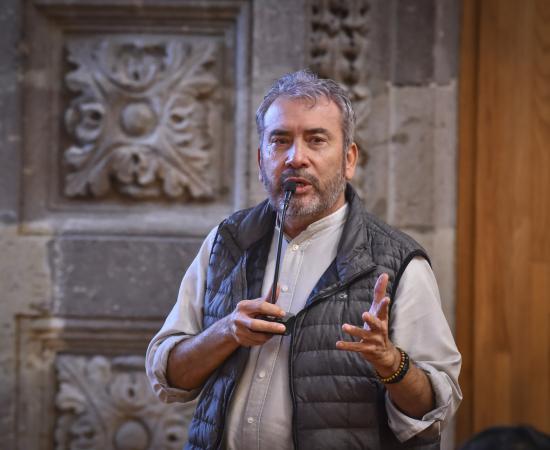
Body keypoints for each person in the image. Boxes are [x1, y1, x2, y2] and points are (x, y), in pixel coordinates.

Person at [146, 70, 462, 450]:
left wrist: (390, 362)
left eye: (316, 140)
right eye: (280, 141)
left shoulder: (398, 263)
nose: (296, 158)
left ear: (348, 160)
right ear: (261, 159)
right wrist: (227, 332)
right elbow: (169, 378)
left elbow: (433, 414)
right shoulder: (226, 242)